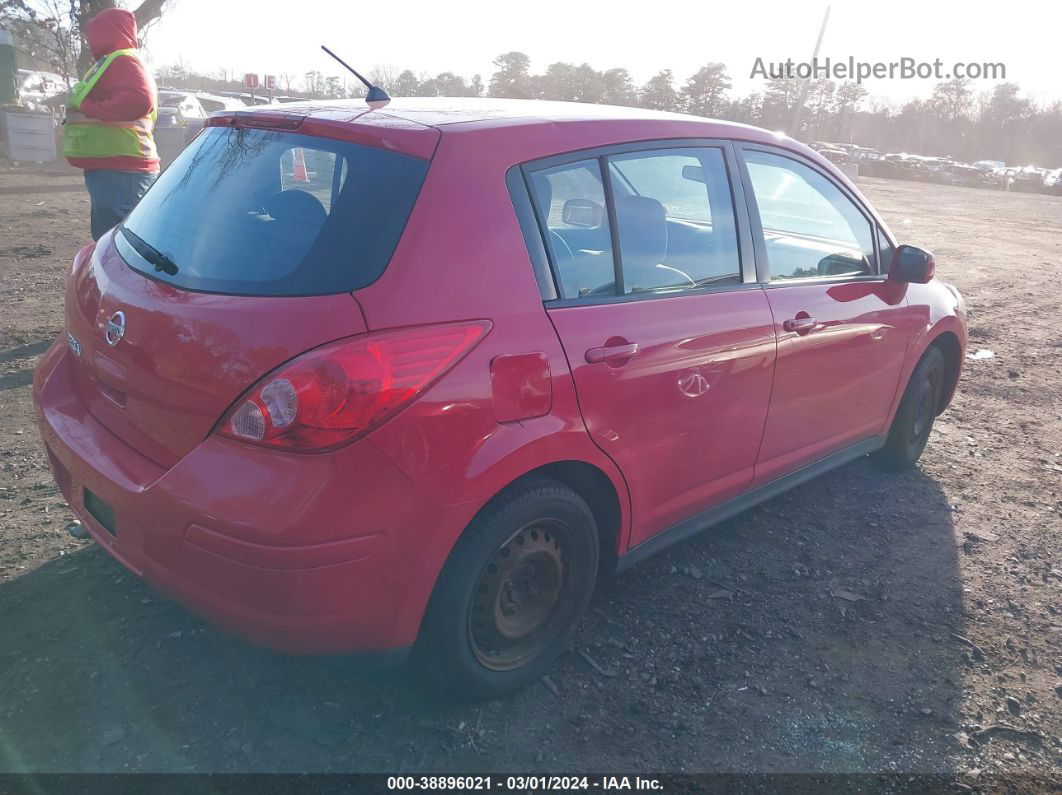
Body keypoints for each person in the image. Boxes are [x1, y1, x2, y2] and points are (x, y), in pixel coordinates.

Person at [63, 8, 159, 241]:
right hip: (117, 169)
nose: (89, 40)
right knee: (111, 244)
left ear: (106, 32)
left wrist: (88, 108)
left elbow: (139, 99)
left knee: (118, 247)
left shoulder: (122, 60)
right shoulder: (114, 61)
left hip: (122, 170)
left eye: (94, 33)